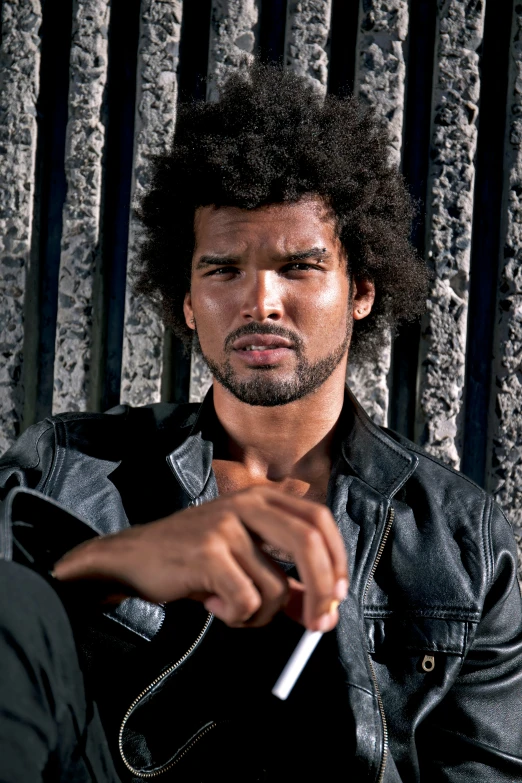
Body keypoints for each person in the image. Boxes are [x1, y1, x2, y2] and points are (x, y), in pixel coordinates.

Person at [0, 64, 521, 782]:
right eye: (223, 270)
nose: (261, 301)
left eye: (299, 267)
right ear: (186, 301)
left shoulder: (460, 543)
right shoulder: (65, 471)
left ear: (362, 291)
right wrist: (103, 569)